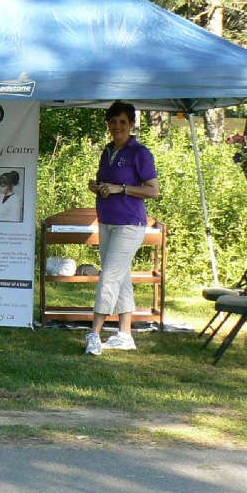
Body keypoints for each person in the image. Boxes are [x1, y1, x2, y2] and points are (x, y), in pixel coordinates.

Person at [84, 101, 159, 355]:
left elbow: (153, 191)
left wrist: (122, 189)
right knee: (121, 276)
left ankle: (94, 334)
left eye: (123, 122)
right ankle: (125, 335)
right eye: (113, 121)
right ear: (108, 123)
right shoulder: (107, 151)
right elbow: (108, 184)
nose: (117, 126)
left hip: (130, 224)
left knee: (108, 277)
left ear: (132, 124)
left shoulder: (140, 153)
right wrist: (98, 187)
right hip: (107, 221)